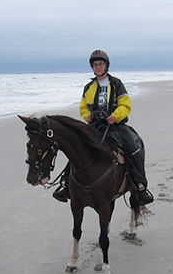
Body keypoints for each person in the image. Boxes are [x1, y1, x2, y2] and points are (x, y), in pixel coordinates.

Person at [53, 50, 153, 206]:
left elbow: (126, 105)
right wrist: (87, 116)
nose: (98, 67)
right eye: (95, 64)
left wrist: (115, 116)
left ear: (106, 66)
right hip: (95, 126)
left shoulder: (117, 84)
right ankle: (65, 186)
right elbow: (83, 107)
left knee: (134, 148)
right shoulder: (88, 87)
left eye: (100, 64)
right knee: (76, 148)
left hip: (115, 125)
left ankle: (140, 187)